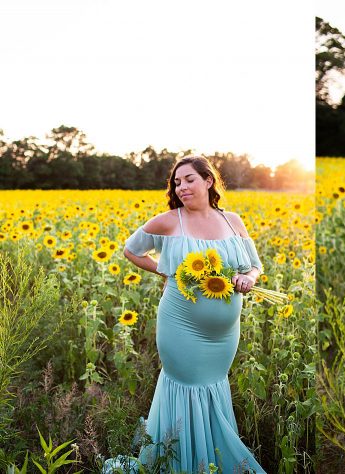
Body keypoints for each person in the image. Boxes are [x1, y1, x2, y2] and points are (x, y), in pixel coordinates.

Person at [121, 155, 266, 473]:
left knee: (214, 382)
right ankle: (181, 461)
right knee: (186, 384)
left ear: (208, 181)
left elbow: (254, 266)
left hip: (223, 335)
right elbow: (131, 250)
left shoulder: (232, 221)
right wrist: (168, 271)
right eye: (176, 182)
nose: (181, 187)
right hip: (180, 325)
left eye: (189, 179)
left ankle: (211, 455)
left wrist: (248, 279)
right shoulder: (170, 221)